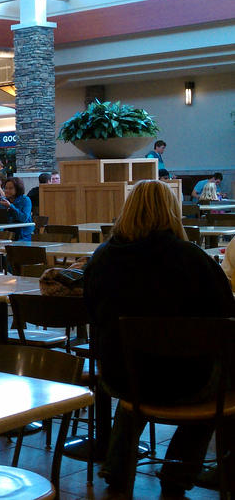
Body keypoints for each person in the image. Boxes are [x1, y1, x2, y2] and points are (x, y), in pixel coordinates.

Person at [84, 180, 235, 495]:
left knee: (139, 381)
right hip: (185, 382)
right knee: (221, 385)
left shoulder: (101, 258)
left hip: (118, 376)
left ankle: (117, 469)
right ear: (172, 211)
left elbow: (91, 313)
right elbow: (225, 319)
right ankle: (179, 476)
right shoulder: (193, 258)